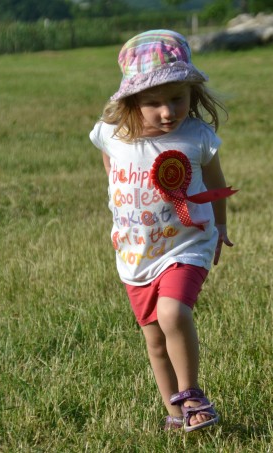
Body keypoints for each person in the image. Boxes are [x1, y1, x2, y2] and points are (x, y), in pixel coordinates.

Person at [89, 29, 237, 433]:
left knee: (173, 312)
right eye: (153, 103)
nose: (168, 112)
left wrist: (220, 225)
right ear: (131, 102)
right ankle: (177, 418)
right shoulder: (112, 134)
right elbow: (110, 164)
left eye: (177, 99)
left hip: (187, 244)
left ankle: (192, 396)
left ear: (191, 91)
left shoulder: (197, 137)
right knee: (154, 339)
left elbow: (215, 183)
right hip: (136, 254)